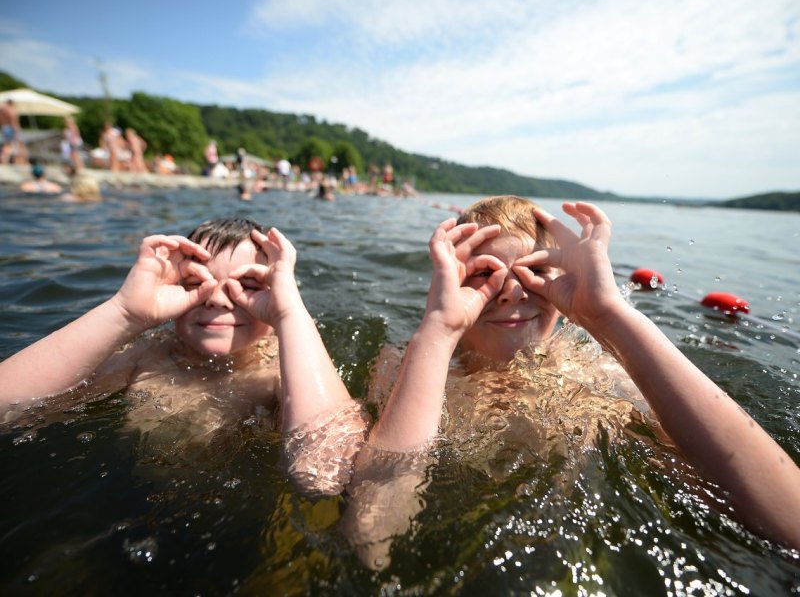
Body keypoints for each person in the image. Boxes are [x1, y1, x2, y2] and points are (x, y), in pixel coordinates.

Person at [343, 195, 800, 566]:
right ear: (449, 281)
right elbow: (372, 534)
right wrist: (439, 331)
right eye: (483, 273)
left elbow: (790, 523)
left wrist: (609, 314)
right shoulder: (413, 367)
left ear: (566, 286)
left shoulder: (596, 372)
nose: (511, 289)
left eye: (536, 270)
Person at [0, 218, 365, 493]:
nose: (217, 298)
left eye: (248, 286)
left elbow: (324, 474)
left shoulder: (278, 370)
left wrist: (289, 315)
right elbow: (8, 408)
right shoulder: (146, 354)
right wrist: (126, 312)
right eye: (195, 283)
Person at [0, 99, 26, 165]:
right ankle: (21, 162)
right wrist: (17, 130)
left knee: (7, 145)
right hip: (13, 127)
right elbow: (14, 120)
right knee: (20, 145)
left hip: (4, 127)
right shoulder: (12, 109)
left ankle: (3, 159)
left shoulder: (2, 109)